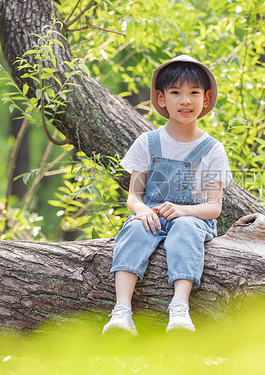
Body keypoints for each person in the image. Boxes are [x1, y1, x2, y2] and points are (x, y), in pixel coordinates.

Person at [102, 55, 233, 335]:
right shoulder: (147, 142)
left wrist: (184, 211)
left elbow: (214, 207)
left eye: (194, 93)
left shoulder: (212, 149)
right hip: (154, 215)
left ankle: (179, 307)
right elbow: (133, 197)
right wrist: (142, 210)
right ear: (161, 99)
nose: (185, 100)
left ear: (206, 98)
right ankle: (122, 310)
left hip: (194, 219)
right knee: (136, 228)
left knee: (184, 227)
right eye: (175, 93)